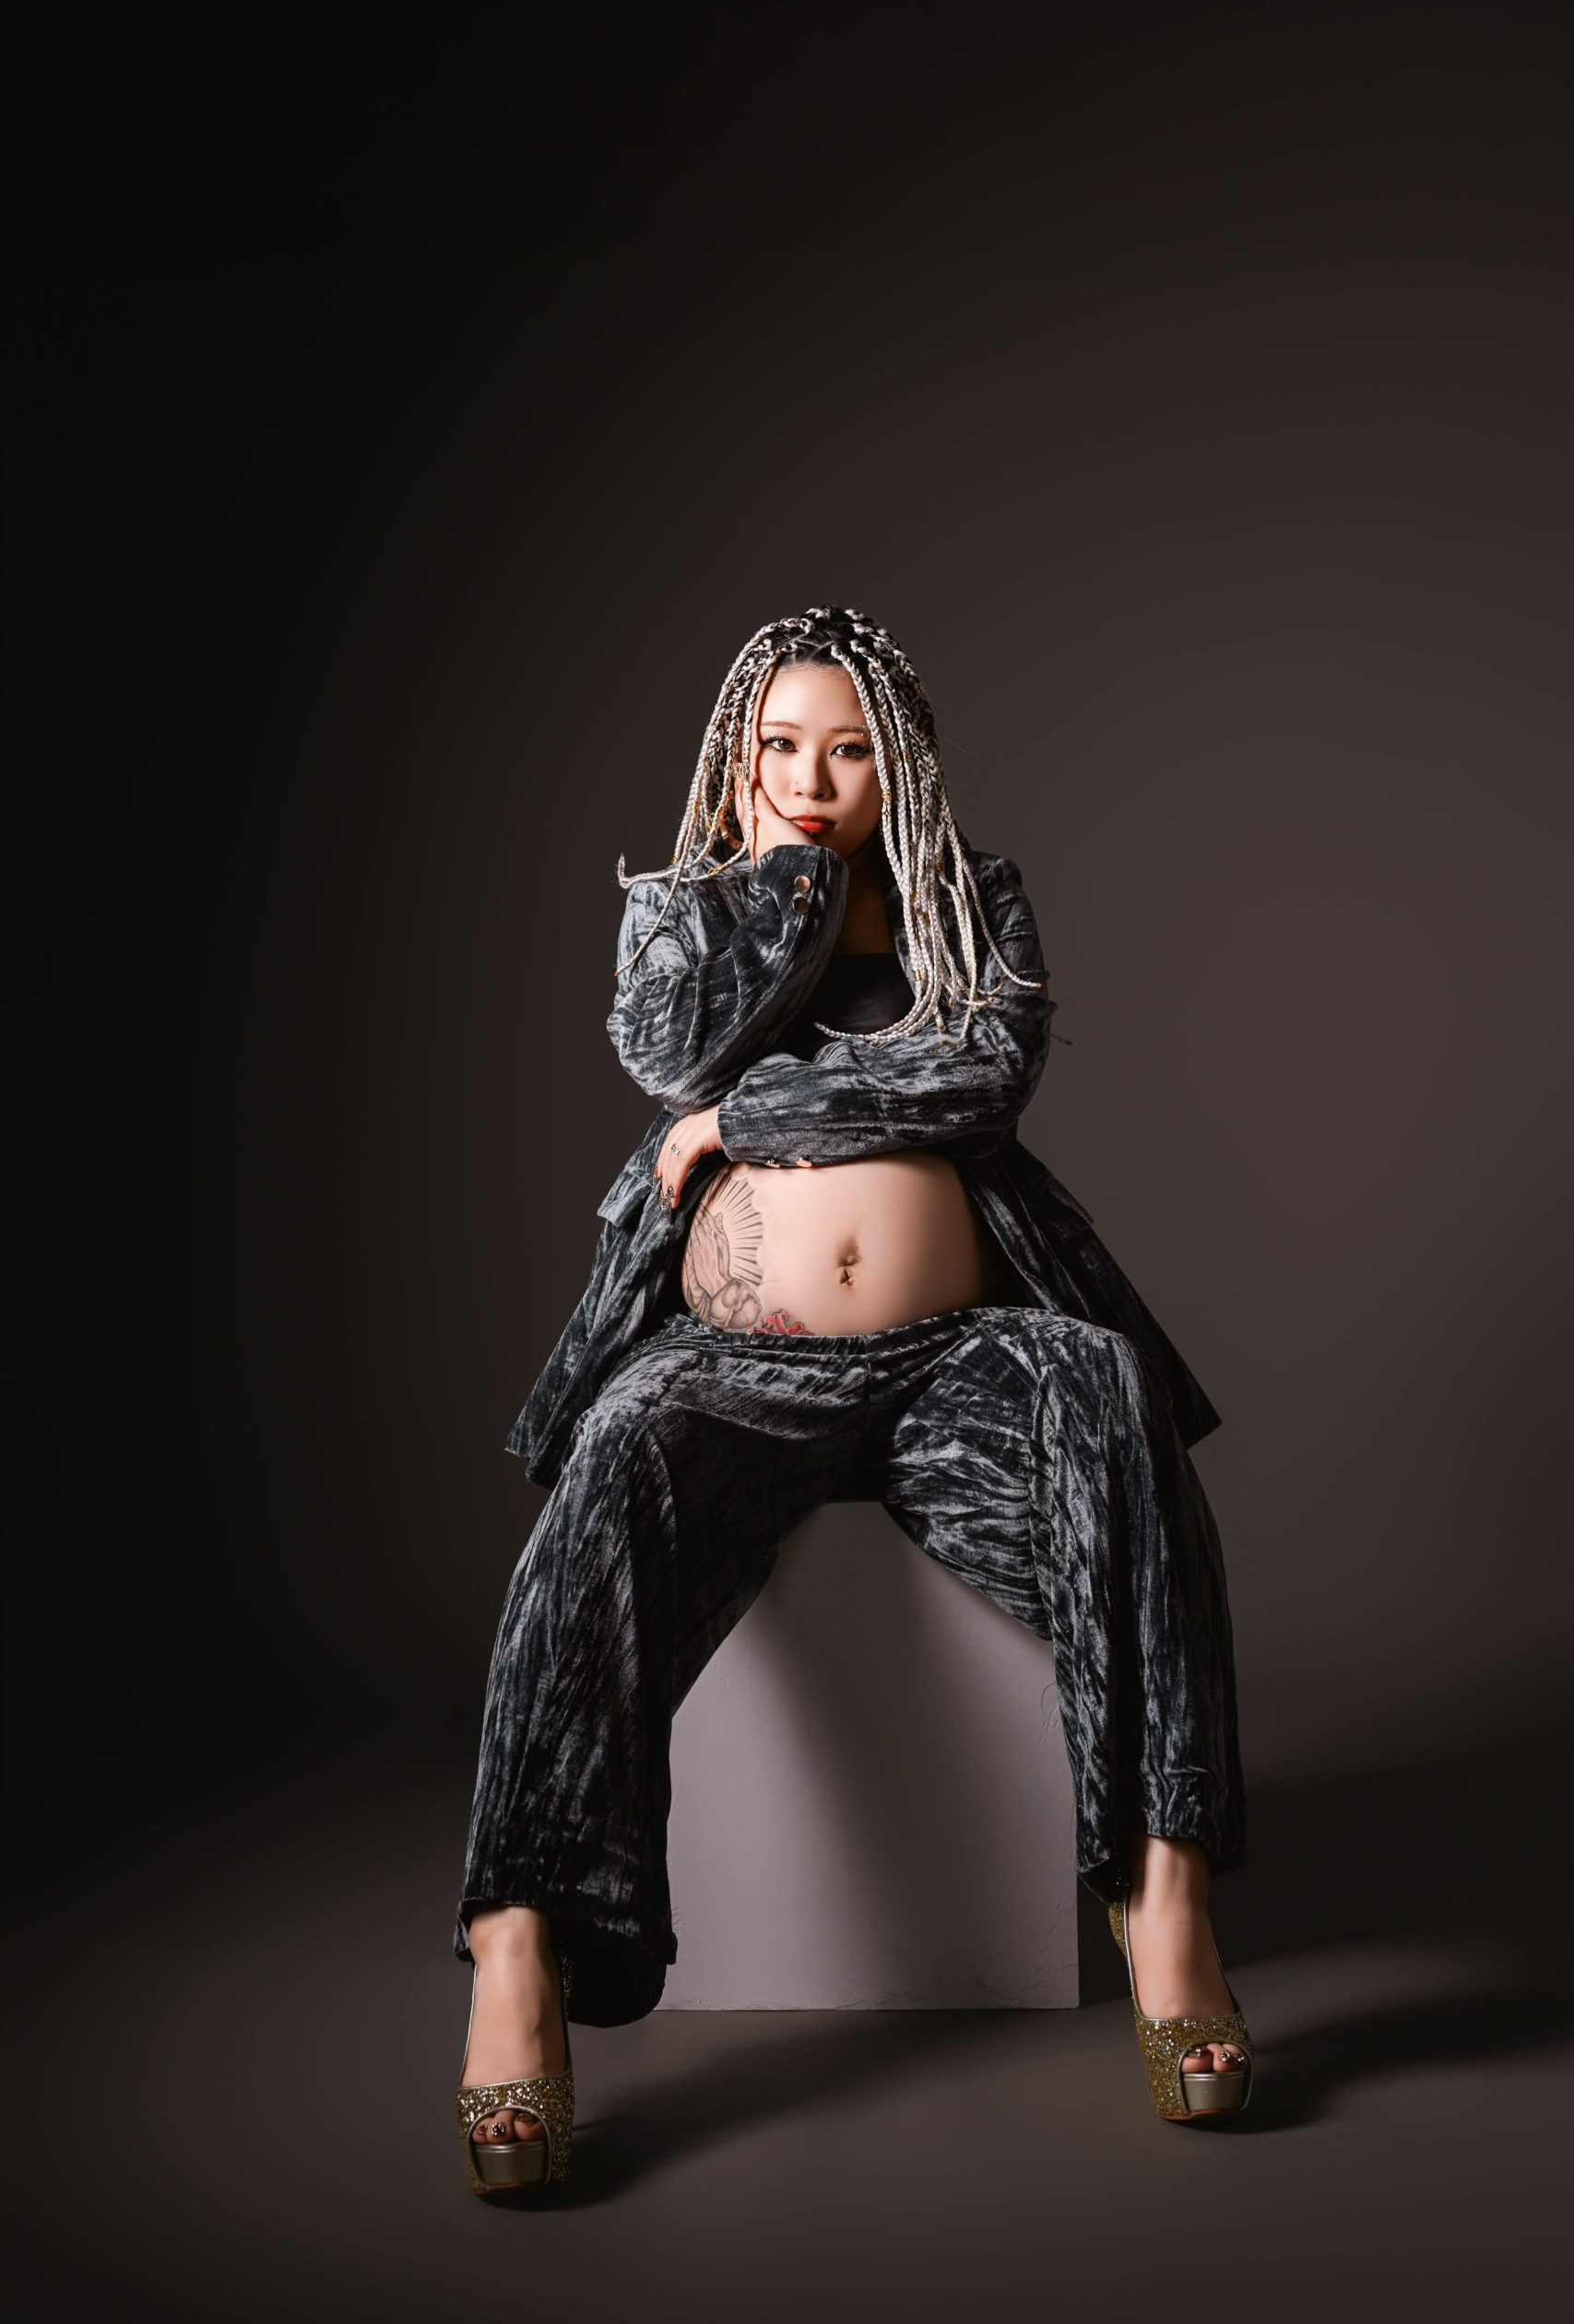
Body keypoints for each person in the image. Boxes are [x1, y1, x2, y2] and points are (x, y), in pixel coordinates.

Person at [453, 608, 1251, 2193]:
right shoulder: (684, 916)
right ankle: (517, 1951)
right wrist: (787, 895)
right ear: (735, 762)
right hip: (733, 1374)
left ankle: (1164, 1901)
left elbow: (979, 1078)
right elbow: (668, 1053)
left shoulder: (969, 901)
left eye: (849, 751)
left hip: (952, 1358)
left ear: (903, 768)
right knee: (614, 1458)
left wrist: (745, 1122)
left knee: (1103, 1391)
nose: (812, 780)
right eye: (780, 748)